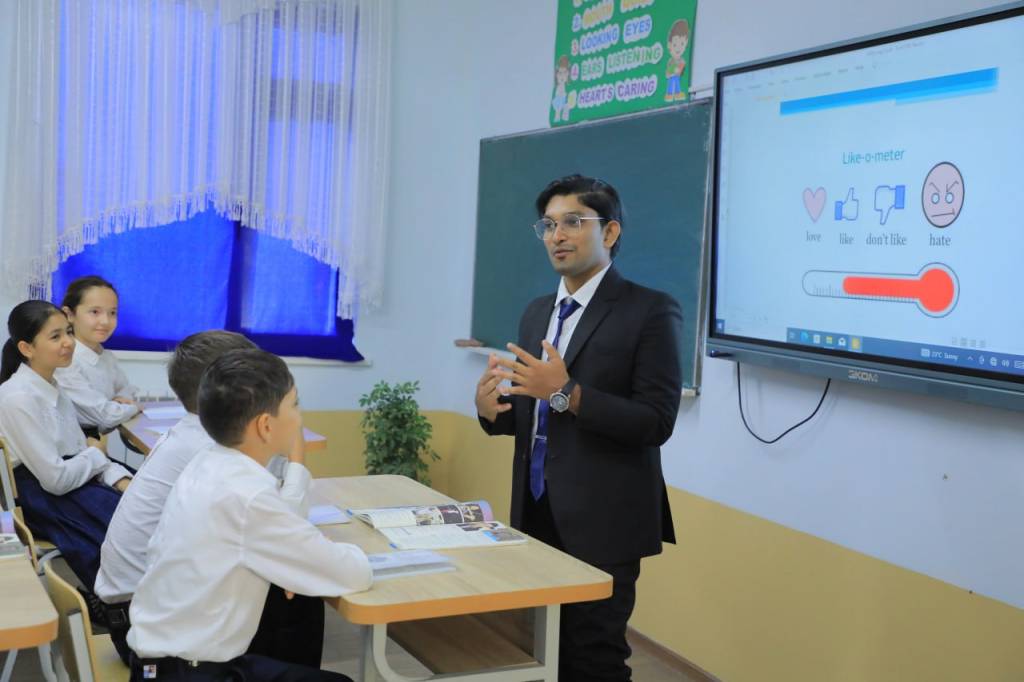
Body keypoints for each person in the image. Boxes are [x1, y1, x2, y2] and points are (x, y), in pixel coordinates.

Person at [475, 174, 682, 681]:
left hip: (604, 520)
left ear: (609, 232)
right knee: (542, 651)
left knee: (593, 657)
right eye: (548, 225)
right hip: (536, 508)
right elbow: (534, 413)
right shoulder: (537, 312)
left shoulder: (649, 310)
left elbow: (656, 421)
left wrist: (567, 393)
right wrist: (492, 411)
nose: (557, 235)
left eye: (573, 222)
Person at [126, 348, 371, 681]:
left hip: (161, 662)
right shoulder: (248, 495)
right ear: (266, 426)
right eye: (295, 404)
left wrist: (297, 553)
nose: (300, 417)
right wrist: (319, 551)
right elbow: (354, 573)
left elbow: (276, 531)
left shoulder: (208, 461)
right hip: (191, 672)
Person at [96, 331, 265, 665]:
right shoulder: (211, 447)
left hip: (135, 610)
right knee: (288, 595)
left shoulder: (191, 431)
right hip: (151, 629)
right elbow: (265, 526)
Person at [0, 300, 133, 590]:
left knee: (141, 502)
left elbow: (82, 451)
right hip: (41, 493)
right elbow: (56, 480)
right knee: (128, 528)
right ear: (27, 348)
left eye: (69, 332)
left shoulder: (53, 386)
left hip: (71, 478)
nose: (69, 343)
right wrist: (96, 455)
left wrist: (120, 479)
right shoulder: (17, 398)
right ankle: (116, 601)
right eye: (55, 336)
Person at [54, 275, 141, 437]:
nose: (106, 321)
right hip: (73, 448)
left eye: (112, 313)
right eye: (95, 312)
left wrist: (119, 402)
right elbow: (106, 417)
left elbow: (128, 390)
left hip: (95, 445)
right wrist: (134, 408)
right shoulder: (65, 361)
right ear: (69, 314)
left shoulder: (106, 356)